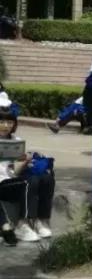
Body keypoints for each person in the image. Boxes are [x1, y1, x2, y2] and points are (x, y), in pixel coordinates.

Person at [0, 94, 53, 244]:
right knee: (28, 183)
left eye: (9, 122)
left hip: (11, 179)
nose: (6, 125)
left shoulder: (15, 141)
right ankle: (22, 224)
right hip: (1, 184)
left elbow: (14, 173)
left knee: (46, 178)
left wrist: (26, 161)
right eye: (2, 122)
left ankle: (41, 221)